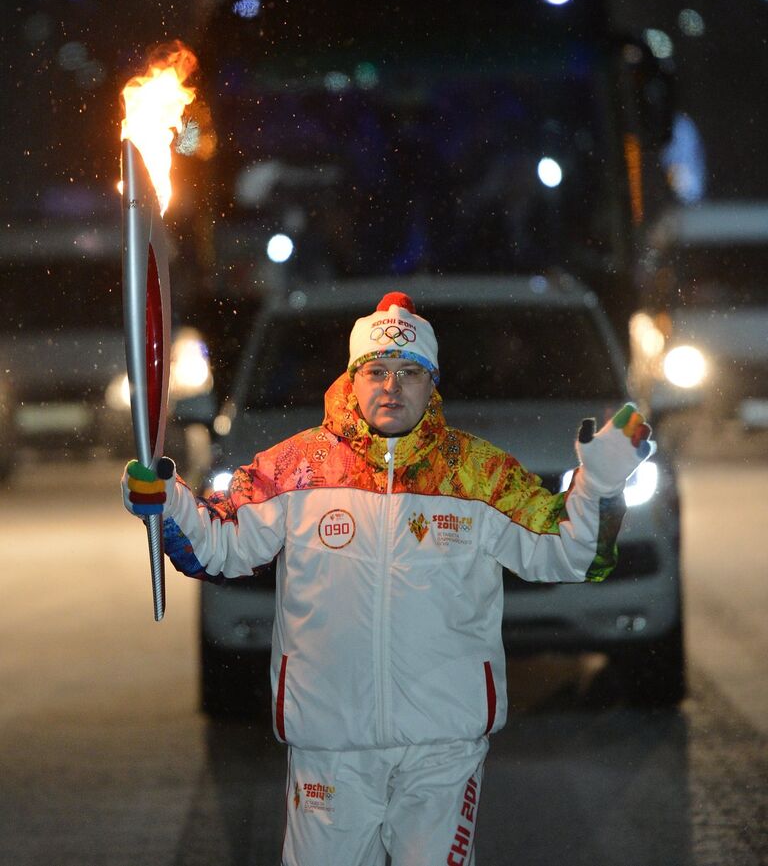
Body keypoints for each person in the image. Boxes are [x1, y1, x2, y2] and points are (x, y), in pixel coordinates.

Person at [122, 291, 654, 866]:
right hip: (329, 741)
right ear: (352, 380)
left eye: (410, 372)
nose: (392, 386)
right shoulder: (294, 469)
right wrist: (169, 502)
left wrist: (597, 489)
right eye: (376, 371)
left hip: (442, 746)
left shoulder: (478, 474)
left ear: (433, 385)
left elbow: (568, 555)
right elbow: (220, 546)